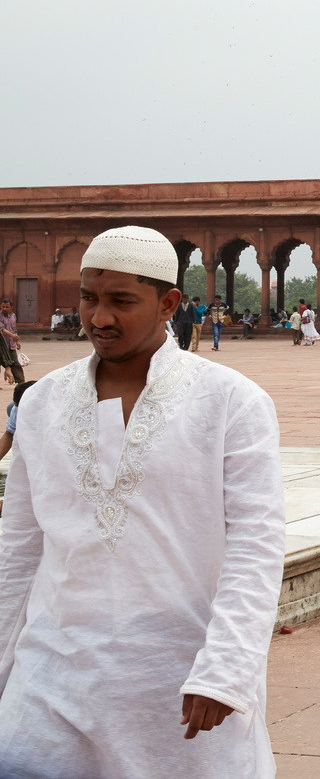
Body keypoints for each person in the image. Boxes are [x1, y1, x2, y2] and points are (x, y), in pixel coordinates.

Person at [0, 225, 285, 777]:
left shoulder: (230, 403)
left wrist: (226, 668)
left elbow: (256, 543)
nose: (99, 318)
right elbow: (18, 549)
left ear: (168, 304)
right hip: (53, 677)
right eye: (89, 298)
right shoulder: (41, 404)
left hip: (179, 683)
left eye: (121, 302)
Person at [0, 300, 21, 384]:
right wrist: (12, 335)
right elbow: (1, 329)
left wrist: (17, 341)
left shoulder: (13, 316)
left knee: (15, 363)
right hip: (2, 345)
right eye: (3, 306)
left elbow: (14, 329)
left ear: (11, 307)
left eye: (7, 307)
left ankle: (20, 382)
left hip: (10, 344)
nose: (4, 308)